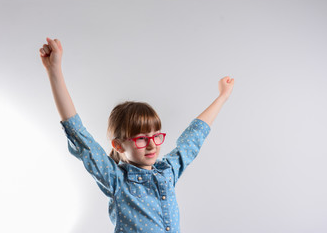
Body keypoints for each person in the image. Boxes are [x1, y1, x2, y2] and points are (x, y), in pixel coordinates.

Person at [39, 37, 234, 233]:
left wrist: (222, 97)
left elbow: (194, 137)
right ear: (118, 145)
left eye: (156, 136)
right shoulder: (116, 181)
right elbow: (79, 135)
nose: (152, 145)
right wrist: (54, 71)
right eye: (141, 138)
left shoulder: (168, 172)